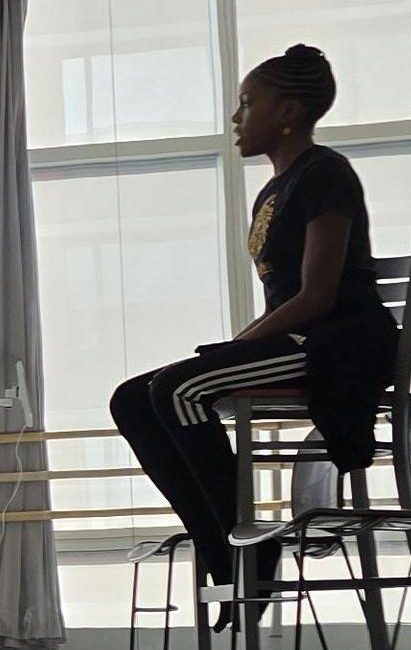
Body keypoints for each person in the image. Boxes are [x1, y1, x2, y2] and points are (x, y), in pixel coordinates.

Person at [107, 46, 393, 602]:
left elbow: (318, 295)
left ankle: (247, 545)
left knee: (178, 387)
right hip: (299, 338)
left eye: (247, 103)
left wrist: (235, 348)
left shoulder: (324, 174)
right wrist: (237, 349)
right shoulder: (276, 187)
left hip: (337, 341)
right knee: (131, 399)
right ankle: (216, 541)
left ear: (287, 112)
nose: (237, 118)